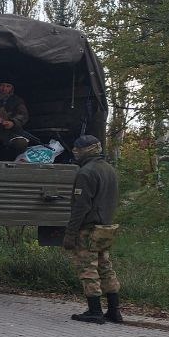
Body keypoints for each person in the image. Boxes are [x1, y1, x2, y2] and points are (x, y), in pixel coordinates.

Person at [63, 135, 122, 324]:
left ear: (87, 150)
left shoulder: (86, 173)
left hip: (88, 229)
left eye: (78, 148)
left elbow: (80, 207)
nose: (74, 151)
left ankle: (95, 311)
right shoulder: (109, 169)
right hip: (105, 228)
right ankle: (114, 311)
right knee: (105, 267)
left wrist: (70, 233)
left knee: (88, 269)